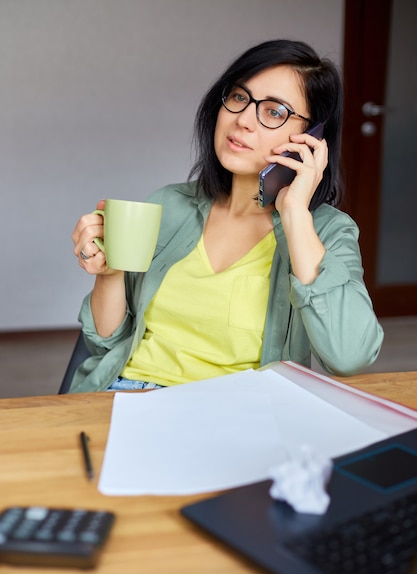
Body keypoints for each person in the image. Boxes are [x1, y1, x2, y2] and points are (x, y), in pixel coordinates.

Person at [71, 39, 383, 393]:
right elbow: (107, 343)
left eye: (274, 111)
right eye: (238, 97)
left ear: (311, 138)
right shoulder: (169, 205)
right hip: (125, 395)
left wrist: (295, 213)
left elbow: (349, 357)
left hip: (237, 415)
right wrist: (111, 275)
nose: (243, 121)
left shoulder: (326, 233)